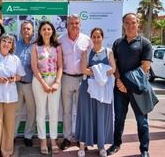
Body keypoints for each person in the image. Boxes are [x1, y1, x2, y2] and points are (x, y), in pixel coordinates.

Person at [106, 13, 152, 157]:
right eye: (127, 23)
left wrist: (125, 83)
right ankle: (116, 144)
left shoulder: (145, 43)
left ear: (138, 24)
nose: (130, 25)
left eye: (133, 22)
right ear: (123, 24)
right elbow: (115, 65)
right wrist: (119, 81)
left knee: (142, 121)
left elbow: (145, 67)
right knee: (119, 119)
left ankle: (144, 149)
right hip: (120, 88)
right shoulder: (118, 43)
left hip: (138, 89)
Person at [75, 28, 116, 157]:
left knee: (101, 117)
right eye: (94, 36)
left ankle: (101, 146)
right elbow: (83, 70)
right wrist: (101, 71)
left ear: (102, 38)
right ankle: (82, 145)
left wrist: (96, 71)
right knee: (85, 116)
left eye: (99, 36)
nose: (96, 39)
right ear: (91, 38)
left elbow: (113, 69)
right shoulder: (86, 52)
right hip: (87, 89)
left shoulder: (109, 52)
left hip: (103, 90)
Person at [58, 14, 92, 150]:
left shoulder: (87, 40)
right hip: (66, 78)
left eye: (77, 23)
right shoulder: (60, 40)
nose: (74, 25)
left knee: (80, 111)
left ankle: (79, 138)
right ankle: (67, 137)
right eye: (71, 23)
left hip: (82, 79)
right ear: (67, 24)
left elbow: (92, 57)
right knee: (66, 111)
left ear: (80, 24)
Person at [31, 21, 63, 155]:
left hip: (54, 80)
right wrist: (44, 84)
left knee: (54, 111)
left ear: (52, 31)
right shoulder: (35, 47)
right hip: (39, 81)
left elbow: (60, 66)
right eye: (44, 29)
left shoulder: (57, 47)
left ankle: (53, 140)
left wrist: (56, 82)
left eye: (49, 29)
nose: (46, 31)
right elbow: (34, 67)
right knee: (41, 112)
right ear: (40, 31)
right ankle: (43, 140)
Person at [14, 20, 36, 146]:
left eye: (28, 29)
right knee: (16, 111)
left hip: (31, 84)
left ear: (32, 31)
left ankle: (28, 135)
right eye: (24, 29)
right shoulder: (15, 45)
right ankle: (12, 135)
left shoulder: (36, 46)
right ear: (21, 31)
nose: (26, 31)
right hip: (16, 84)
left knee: (31, 111)